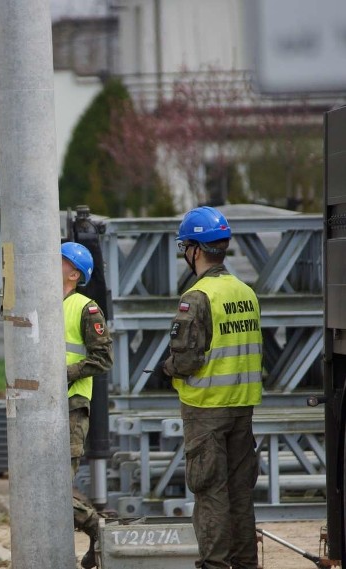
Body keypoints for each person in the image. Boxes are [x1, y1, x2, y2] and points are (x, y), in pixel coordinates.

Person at [155, 206, 263, 569]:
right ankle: (245, 564)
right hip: (242, 408)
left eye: (186, 246)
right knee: (239, 493)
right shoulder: (245, 292)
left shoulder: (197, 298)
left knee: (210, 492)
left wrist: (165, 369)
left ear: (196, 250)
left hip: (206, 411)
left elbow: (186, 361)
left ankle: (215, 565)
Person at [60, 242, 113, 569]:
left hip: (71, 406)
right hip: (42, 407)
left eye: (60, 261)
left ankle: (98, 529)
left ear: (74, 274)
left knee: (55, 490)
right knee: (45, 486)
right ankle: (95, 530)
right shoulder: (44, 302)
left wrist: (66, 374)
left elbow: (103, 358)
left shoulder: (85, 308)